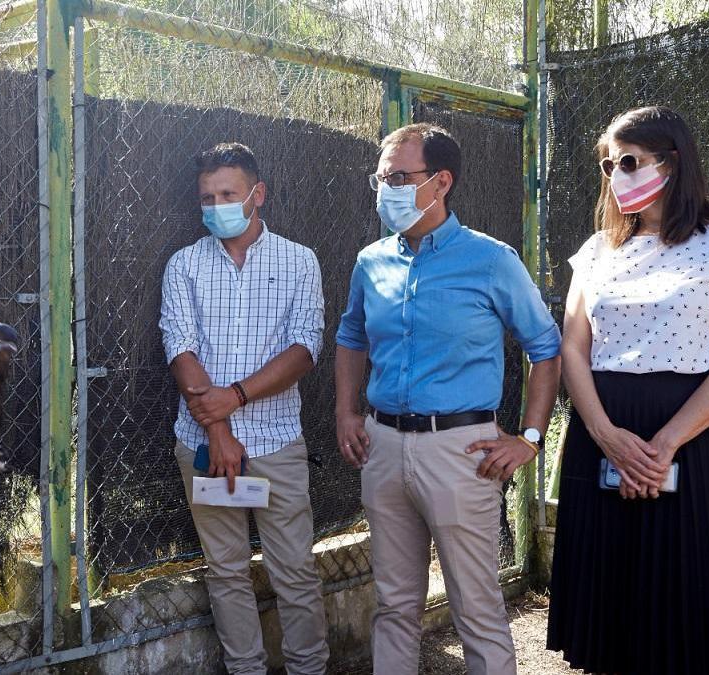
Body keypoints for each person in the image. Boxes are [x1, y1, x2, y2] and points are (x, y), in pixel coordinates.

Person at [546, 105, 709, 674]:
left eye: (629, 161)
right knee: (610, 589)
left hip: (695, 435)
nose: (616, 176)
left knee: (689, 593)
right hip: (604, 428)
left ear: (674, 161)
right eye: (608, 165)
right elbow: (573, 347)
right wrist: (605, 435)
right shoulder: (598, 250)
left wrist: (663, 445)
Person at [335, 122, 562, 675]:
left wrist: (530, 437)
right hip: (382, 446)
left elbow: (546, 347)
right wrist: (346, 411)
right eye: (381, 177)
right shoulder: (372, 261)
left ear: (441, 182)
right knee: (394, 605)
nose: (386, 188)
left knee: (476, 606)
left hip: (461, 451)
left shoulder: (491, 260)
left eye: (399, 177)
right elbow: (351, 336)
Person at [159, 142, 329, 674]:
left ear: (258, 194)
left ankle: (307, 669)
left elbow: (305, 348)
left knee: (295, 571)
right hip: (205, 446)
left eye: (227, 194)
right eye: (207, 198)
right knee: (226, 571)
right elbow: (178, 346)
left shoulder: (300, 261)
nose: (216, 206)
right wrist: (219, 432)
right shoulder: (183, 265)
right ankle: (246, 670)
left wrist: (233, 399)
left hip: (277, 441)